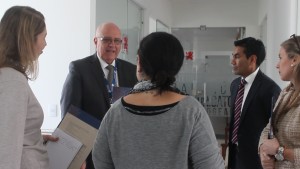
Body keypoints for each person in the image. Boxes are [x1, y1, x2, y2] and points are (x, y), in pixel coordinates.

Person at [92, 32, 225, 169]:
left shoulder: (116, 111)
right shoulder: (191, 111)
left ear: (139, 63)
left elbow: (100, 161)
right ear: (176, 67)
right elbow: (212, 166)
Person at [60, 22, 137, 169]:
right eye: (106, 40)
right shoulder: (79, 69)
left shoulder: (130, 71)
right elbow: (70, 115)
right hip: (90, 154)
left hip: (122, 154)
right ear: (96, 41)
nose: (112, 45)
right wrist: (75, 156)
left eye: (117, 41)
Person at [0, 6, 58, 169]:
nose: (45, 44)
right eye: (44, 37)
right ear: (28, 38)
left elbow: (9, 131)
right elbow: (6, 150)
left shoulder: (8, 76)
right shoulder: (13, 81)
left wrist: (34, 137)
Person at [228, 37, 281, 169]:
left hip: (256, 161)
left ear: (252, 59)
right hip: (235, 156)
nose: (232, 61)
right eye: (232, 56)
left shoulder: (270, 89)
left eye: (237, 57)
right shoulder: (234, 85)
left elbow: (276, 130)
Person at [259, 34, 300, 169]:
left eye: (280, 58)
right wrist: (263, 152)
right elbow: (268, 128)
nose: (277, 65)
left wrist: (280, 151)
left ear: (294, 60)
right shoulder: (286, 93)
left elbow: (277, 148)